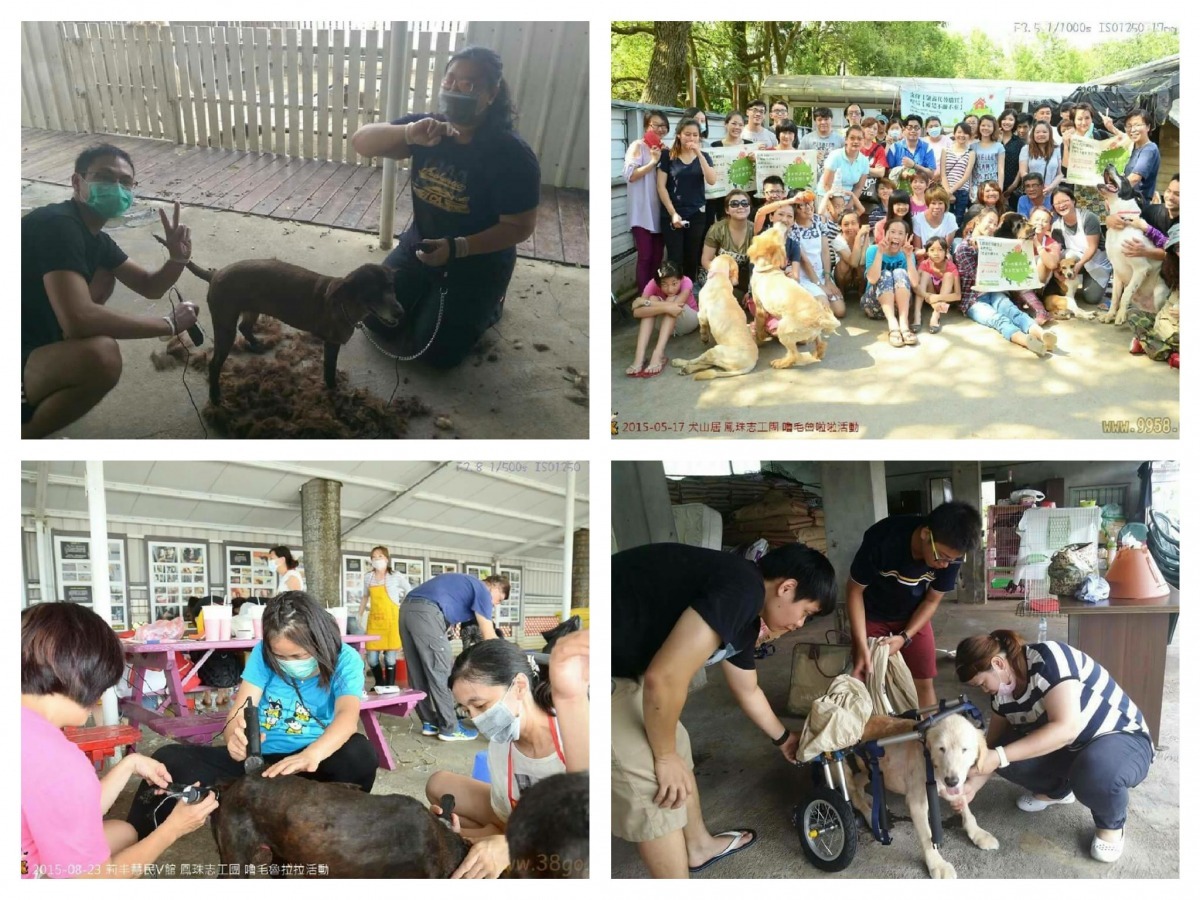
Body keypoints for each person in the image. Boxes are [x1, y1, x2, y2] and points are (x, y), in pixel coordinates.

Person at [611, 542, 837, 878]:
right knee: (651, 783)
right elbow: (665, 677)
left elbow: (748, 688)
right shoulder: (743, 587)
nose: (801, 624)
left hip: (625, 665)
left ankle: (698, 846)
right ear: (786, 588)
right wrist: (662, 757)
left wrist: (783, 739)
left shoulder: (746, 617)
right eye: (805, 612)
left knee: (675, 745)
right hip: (593, 667)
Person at [126, 591, 377, 839]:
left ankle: (331, 831)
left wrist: (313, 754)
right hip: (259, 761)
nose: (290, 662)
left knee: (360, 754)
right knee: (169, 759)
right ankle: (131, 841)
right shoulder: (262, 653)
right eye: (281, 656)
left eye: (299, 656)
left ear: (320, 641)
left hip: (313, 762)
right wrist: (235, 736)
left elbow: (347, 717)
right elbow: (240, 710)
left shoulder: (345, 659)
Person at [350, 47, 538, 368]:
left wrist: (458, 248)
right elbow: (361, 141)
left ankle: (492, 304)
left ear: (491, 94)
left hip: (476, 261)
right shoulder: (428, 129)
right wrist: (409, 132)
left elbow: (520, 226)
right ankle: (429, 295)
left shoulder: (511, 154)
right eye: (450, 79)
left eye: (468, 84)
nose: (454, 88)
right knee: (374, 318)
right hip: (419, 248)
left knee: (433, 353)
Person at [22, 603, 217, 879]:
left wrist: (130, 764)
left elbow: (63, 805)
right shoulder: (59, 764)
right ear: (79, 676)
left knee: (124, 832)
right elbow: (94, 883)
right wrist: (173, 828)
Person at [21, 144, 200, 438]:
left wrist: (178, 259)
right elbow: (79, 319)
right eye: (104, 177)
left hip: (33, 333)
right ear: (77, 183)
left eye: (125, 182)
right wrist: (169, 324)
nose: (117, 188)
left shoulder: (96, 238)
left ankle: (49, 362)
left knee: (105, 276)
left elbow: (149, 285)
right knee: (101, 356)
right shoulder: (57, 225)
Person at [953, 630, 1154, 863]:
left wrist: (997, 757)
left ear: (998, 663)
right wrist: (972, 786)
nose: (984, 690)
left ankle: (1111, 823)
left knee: (1095, 771)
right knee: (1006, 749)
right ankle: (1057, 791)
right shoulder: (1001, 695)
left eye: (981, 683)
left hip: (1120, 739)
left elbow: (1066, 729)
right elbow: (993, 745)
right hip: (1069, 751)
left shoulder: (1050, 659)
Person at [423, 637, 585, 878]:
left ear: (519, 686)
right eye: (466, 710)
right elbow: (507, 813)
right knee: (439, 785)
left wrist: (512, 848)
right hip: (516, 817)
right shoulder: (502, 740)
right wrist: (454, 835)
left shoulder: (572, 734)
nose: (476, 719)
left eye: (480, 705)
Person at [848, 502, 982, 710]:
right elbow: (854, 591)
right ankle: (870, 734)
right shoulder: (882, 539)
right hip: (873, 613)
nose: (945, 565)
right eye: (942, 557)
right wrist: (860, 645)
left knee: (924, 682)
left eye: (953, 560)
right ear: (926, 534)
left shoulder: (950, 557)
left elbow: (931, 600)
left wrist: (905, 636)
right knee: (866, 675)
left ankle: (927, 735)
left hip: (913, 615)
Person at [401, 572, 506, 741]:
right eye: (499, 599)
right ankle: (450, 728)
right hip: (426, 612)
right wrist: (506, 657)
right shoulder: (482, 590)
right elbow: (488, 634)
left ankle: (430, 722)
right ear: (494, 586)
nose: (494, 605)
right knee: (441, 672)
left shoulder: (464, 584)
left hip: (407, 609)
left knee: (417, 670)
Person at [953, 209, 1059, 356]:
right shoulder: (964, 248)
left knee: (1012, 311)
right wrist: (980, 250)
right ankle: (1026, 341)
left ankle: (1042, 335)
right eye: (989, 222)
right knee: (998, 320)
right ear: (978, 221)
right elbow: (978, 277)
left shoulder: (996, 244)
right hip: (973, 300)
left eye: (995, 224)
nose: (991, 226)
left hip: (995, 292)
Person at [656, 119, 717, 282]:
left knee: (692, 256)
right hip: (672, 214)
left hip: (696, 214)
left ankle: (688, 292)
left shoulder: (704, 156)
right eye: (687, 134)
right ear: (679, 135)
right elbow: (661, 187)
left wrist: (698, 153)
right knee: (675, 257)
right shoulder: (667, 156)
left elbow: (711, 180)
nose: (691, 138)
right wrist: (673, 214)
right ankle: (672, 292)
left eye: (695, 135)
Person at [623, 109, 670, 296]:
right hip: (641, 212)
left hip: (660, 211)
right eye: (655, 125)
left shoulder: (665, 149)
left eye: (663, 126)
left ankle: (655, 293)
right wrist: (652, 162)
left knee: (658, 257)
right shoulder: (638, 146)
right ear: (646, 126)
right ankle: (644, 297)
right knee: (645, 256)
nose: (660, 129)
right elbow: (630, 175)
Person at [627, 260, 696, 377]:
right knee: (654, 299)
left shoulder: (686, 281)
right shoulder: (652, 284)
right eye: (665, 284)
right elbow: (637, 312)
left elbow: (676, 307)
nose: (670, 289)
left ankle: (658, 354)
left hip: (687, 320)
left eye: (674, 283)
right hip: (665, 324)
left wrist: (645, 302)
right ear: (658, 283)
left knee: (671, 299)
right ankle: (639, 357)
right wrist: (654, 304)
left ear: (680, 279)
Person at [357, 546, 411, 688]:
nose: (377, 560)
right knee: (372, 658)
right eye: (374, 557)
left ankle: (389, 685)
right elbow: (365, 596)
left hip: (392, 621)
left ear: (386, 559)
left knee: (390, 657)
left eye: (379, 556)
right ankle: (379, 682)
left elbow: (409, 590)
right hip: (374, 621)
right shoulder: (368, 577)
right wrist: (359, 614)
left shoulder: (395, 575)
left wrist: (401, 607)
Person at [1050, 187, 1112, 308]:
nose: (1061, 205)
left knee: (1091, 299)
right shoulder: (1056, 226)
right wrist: (1056, 271)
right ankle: (1070, 288)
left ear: (1073, 200)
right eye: (1057, 203)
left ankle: (1095, 281)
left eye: (1065, 201)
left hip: (1096, 262)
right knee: (1067, 255)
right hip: (1074, 261)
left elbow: (1092, 248)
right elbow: (1057, 252)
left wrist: (1078, 265)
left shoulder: (1088, 218)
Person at [863, 218, 919, 346]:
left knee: (899, 272)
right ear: (885, 233)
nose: (896, 236)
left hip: (900, 307)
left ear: (906, 237)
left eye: (900, 233)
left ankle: (904, 324)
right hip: (874, 306)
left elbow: (915, 283)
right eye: (892, 232)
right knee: (886, 274)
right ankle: (893, 324)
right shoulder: (873, 250)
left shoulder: (907, 253)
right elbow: (872, 279)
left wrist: (909, 257)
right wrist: (880, 253)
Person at [1060, 103, 1112, 222]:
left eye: (1087, 118)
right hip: (1077, 191)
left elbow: (1124, 142)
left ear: (1092, 118)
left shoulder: (1100, 135)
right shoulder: (1069, 139)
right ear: (1073, 120)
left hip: (1100, 193)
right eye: (1079, 119)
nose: (1084, 122)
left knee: (1101, 229)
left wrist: (1111, 127)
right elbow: (1065, 169)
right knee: (1082, 227)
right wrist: (1067, 145)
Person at [701, 190, 755, 299]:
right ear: (727, 210)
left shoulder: (755, 230)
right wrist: (723, 276)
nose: (740, 207)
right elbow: (706, 260)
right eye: (734, 204)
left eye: (744, 203)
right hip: (717, 274)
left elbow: (757, 266)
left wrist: (751, 290)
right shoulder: (717, 229)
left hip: (742, 277)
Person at [706, 111, 754, 232]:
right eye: (733, 123)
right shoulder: (714, 146)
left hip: (746, 195)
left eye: (740, 124)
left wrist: (757, 157)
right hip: (722, 197)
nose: (737, 127)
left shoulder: (751, 146)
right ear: (726, 124)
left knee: (746, 229)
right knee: (725, 229)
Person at [913, 236, 960, 333]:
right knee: (925, 274)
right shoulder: (925, 264)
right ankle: (917, 315)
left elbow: (958, 296)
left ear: (946, 252)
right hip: (929, 295)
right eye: (932, 250)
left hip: (945, 298)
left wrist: (937, 298)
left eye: (940, 250)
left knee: (948, 275)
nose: (936, 253)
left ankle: (936, 315)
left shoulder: (951, 267)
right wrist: (927, 296)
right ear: (927, 252)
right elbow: (915, 286)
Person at [1118, 108, 1162, 206]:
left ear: (1148, 127)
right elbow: (1120, 136)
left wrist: (1113, 193)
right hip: (1127, 202)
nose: (1133, 130)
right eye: (1129, 126)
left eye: (1137, 125)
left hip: (1138, 206)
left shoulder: (1149, 149)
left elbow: (1134, 178)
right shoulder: (1132, 147)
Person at [820, 125, 870, 203]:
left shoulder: (864, 161)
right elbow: (826, 185)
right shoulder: (835, 155)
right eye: (852, 138)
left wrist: (849, 206)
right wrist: (836, 205)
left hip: (847, 199)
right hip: (826, 196)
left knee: (852, 215)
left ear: (863, 141)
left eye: (859, 139)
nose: (856, 141)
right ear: (846, 140)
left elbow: (858, 188)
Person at [886, 114, 936, 193]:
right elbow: (887, 171)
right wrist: (901, 173)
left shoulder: (927, 148)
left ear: (921, 130)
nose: (913, 131)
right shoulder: (894, 148)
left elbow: (931, 174)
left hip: (921, 194)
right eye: (909, 127)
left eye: (916, 127)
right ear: (904, 129)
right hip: (899, 193)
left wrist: (914, 165)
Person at [797, 106, 845, 184]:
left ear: (831, 120)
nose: (823, 122)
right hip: (811, 181)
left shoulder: (840, 140)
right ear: (815, 121)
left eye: (826, 119)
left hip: (833, 182)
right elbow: (799, 158)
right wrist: (812, 156)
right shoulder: (807, 139)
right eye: (819, 120)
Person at [832, 210, 870, 306]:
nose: (850, 227)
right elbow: (852, 262)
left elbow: (862, 261)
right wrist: (858, 238)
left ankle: (861, 293)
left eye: (853, 223)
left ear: (859, 225)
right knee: (844, 263)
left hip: (858, 274)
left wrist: (866, 237)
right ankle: (842, 293)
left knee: (862, 265)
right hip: (844, 276)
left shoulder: (863, 237)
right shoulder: (838, 241)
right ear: (840, 226)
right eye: (846, 224)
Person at [1018, 121, 1064, 198]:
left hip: (1052, 194)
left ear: (1050, 134)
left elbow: (1060, 174)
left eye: (1044, 132)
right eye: (1037, 132)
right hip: (1032, 193)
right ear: (1033, 134)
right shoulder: (1026, 149)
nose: (1041, 134)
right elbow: (1023, 172)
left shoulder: (1056, 149)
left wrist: (1050, 187)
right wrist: (1036, 185)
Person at [912, 186, 958, 261]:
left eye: (940, 203)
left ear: (945, 204)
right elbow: (917, 249)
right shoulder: (917, 219)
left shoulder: (950, 218)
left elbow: (946, 248)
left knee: (948, 258)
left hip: (941, 254)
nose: (937, 207)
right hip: (924, 255)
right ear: (927, 204)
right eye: (933, 203)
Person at [941, 122, 976, 222]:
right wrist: (948, 192)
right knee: (945, 218)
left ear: (969, 135)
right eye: (959, 132)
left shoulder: (971, 152)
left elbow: (966, 176)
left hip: (962, 192)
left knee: (958, 219)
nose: (962, 135)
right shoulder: (946, 150)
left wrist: (951, 191)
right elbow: (943, 173)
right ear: (954, 133)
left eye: (965, 133)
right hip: (945, 189)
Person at [858, 116, 890, 219]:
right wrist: (873, 169)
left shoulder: (879, 148)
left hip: (871, 192)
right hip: (855, 189)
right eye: (869, 127)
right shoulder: (856, 146)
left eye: (875, 129)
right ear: (862, 128)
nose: (872, 131)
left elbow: (881, 173)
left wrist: (860, 168)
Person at [969, 115, 1006, 204]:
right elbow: (970, 170)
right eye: (983, 125)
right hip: (976, 187)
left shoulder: (999, 146)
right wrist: (970, 187)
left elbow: (1001, 169)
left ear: (994, 128)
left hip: (992, 188)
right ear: (979, 127)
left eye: (989, 126)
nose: (986, 128)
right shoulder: (973, 146)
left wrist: (1000, 188)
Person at [999, 109, 1025, 211]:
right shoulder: (994, 140)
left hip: (1013, 186)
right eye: (1004, 119)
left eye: (1011, 119)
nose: (1007, 122)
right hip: (994, 185)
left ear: (1015, 123)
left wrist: (1013, 186)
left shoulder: (1019, 142)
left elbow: (1021, 166)